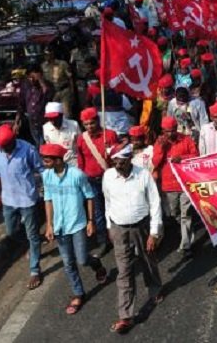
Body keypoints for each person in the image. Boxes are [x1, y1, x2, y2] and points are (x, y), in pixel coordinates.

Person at [40, 143, 108, 315]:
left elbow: (90, 196)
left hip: (77, 224)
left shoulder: (77, 175)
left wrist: (91, 221)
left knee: (82, 259)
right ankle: (78, 293)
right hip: (60, 226)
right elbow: (47, 199)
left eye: (47, 160)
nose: (44, 163)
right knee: (68, 262)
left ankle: (96, 264)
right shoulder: (46, 176)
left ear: (57, 160)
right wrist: (49, 224)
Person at [102, 144, 163, 335]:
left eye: (120, 162)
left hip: (141, 226)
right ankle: (125, 316)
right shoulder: (108, 176)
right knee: (124, 271)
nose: (117, 165)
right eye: (114, 162)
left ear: (129, 159)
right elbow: (107, 201)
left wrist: (154, 233)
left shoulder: (143, 175)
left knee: (148, 260)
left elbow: (155, 203)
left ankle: (154, 288)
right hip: (119, 228)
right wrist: (109, 227)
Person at [0, 124, 45, 289]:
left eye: (6, 147)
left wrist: (45, 191)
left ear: (13, 141)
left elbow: (41, 169)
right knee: (11, 232)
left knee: (32, 234)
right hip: (8, 199)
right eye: (2, 148)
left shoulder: (28, 149)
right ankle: (33, 243)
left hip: (27, 200)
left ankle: (35, 270)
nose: (4, 150)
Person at [153, 117, 199, 258]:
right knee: (174, 213)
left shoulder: (186, 139)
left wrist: (182, 158)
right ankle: (185, 230)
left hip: (185, 184)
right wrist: (162, 148)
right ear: (163, 131)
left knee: (186, 214)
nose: (171, 134)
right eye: (167, 132)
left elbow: (196, 155)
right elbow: (155, 161)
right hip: (168, 185)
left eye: (173, 130)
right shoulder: (159, 142)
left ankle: (186, 245)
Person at [76, 107, 119, 255]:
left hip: (109, 179)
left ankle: (119, 238)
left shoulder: (110, 135)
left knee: (114, 209)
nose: (89, 127)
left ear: (98, 121)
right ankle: (103, 242)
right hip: (90, 181)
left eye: (92, 123)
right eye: (86, 124)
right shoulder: (82, 139)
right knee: (98, 213)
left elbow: (118, 159)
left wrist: (110, 150)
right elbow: (80, 161)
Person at [18, 64, 55, 146]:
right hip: (32, 121)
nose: (31, 80)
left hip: (45, 121)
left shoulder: (48, 86)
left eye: (33, 77)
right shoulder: (26, 86)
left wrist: (41, 81)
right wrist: (17, 121)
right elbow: (21, 103)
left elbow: (48, 96)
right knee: (37, 142)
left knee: (46, 142)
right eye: (29, 77)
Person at [42, 102, 81, 167]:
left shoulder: (74, 125)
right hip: (56, 165)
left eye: (55, 118)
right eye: (50, 118)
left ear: (61, 115)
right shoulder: (46, 128)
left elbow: (80, 144)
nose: (52, 121)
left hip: (73, 163)